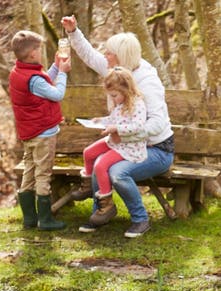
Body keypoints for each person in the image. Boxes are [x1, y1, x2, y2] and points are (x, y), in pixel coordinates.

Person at [61, 16, 173, 238]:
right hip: (126, 142)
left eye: (110, 52)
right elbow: (90, 56)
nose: (105, 55)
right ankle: (100, 213)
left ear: (121, 56)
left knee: (116, 171)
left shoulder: (147, 82)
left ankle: (140, 220)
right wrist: (73, 32)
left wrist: (121, 132)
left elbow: (157, 123)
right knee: (96, 160)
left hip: (157, 149)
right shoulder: (118, 71)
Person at [9, 30, 71, 231]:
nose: (41, 53)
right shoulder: (33, 79)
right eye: (39, 49)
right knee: (43, 174)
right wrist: (62, 72)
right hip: (43, 134)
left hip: (30, 133)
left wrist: (54, 67)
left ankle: (29, 218)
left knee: (29, 172)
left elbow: (43, 83)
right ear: (33, 54)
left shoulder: (19, 73)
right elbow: (56, 93)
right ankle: (45, 220)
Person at [80, 68, 147, 229]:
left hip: (129, 147)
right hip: (115, 141)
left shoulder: (137, 105)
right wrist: (100, 121)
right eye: (111, 96)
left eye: (115, 95)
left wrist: (116, 129)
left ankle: (107, 204)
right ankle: (88, 187)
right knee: (88, 153)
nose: (113, 99)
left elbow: (137, 127)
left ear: (127, 90)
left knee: (101, 166)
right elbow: (114, 118)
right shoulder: (121, 103)